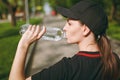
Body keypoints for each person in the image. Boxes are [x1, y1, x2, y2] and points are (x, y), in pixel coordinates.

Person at [9, 0, 120, 80]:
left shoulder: (67, 68)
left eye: (70, 23)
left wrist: (23, 45)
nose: (64, 28)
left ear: (85, 29)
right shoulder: (114, 60)